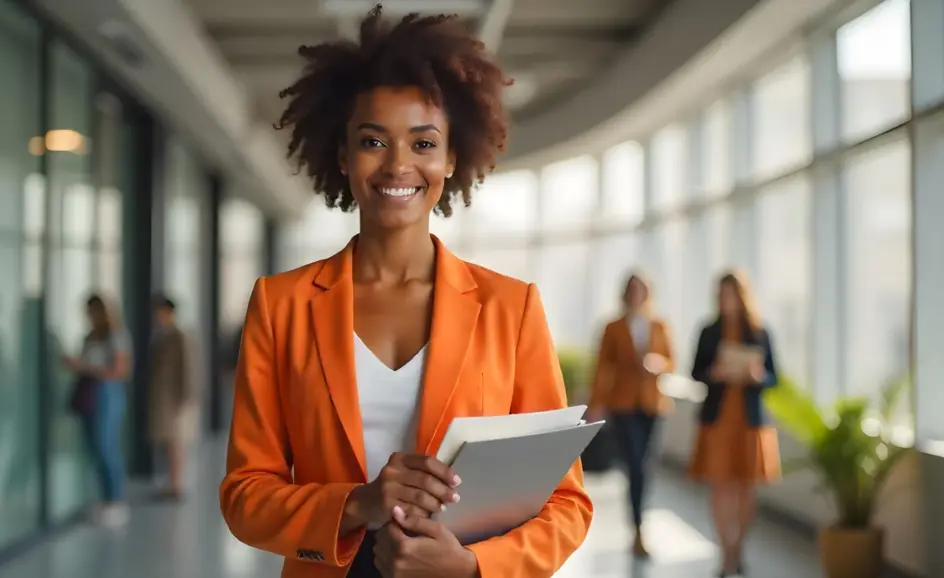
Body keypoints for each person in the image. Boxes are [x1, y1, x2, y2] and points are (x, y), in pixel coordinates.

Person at [219, 6, 592, 578]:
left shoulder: (511, 308)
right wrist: (358, 503)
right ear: (343, 155)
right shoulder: (280, 305)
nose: (398, 165)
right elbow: (245, 496)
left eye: (423, 143)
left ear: (451, 157)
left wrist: (472, 566)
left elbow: (567, 504)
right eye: (374, 140)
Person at [687, 271, 780, 577]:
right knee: (720, 486)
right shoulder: (709, 331)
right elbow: (695, 372)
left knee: (745, 488)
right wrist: (713, 374)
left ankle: (738, 549)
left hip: (749, 421)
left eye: (731, 293)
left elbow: (774, 377)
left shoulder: (759, 331)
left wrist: (758, 377)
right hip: (718, 419)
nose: (725, 299)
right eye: (721, 294)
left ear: (742, 296)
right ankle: (725, 552)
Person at [586, 272, 674, 559]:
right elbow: (602, 367)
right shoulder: (613, 328)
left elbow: (671, 360)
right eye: (632, 289)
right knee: (634, 463)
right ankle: (637, 527)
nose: (636, 294)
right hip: (623, 404)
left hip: (652, 404)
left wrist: (658, 364)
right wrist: (596, 403)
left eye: (641, 289)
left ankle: (640, 521)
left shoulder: (659, 325)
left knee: (644, 466)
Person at [62, 294, 131, 527]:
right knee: (93, 447)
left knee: (106, 445)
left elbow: (119, 370)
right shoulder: (90, 336)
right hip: (89, 391)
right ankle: (104, 498)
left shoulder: (116, 336)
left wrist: (83, 366)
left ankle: (116, 500)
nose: (90, 316)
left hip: (107, 392)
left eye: (93, 311)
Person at [149, 294, 193, 499]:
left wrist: (184, 397)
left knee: (175, 442)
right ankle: (172, 482)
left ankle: (176, 484)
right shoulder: (162, 335)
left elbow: (187, 368)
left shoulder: (178, 336)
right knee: (169, 442)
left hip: (174, 399)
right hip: (164, 397)